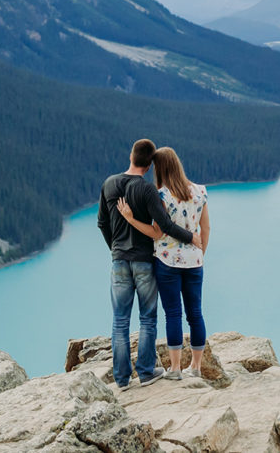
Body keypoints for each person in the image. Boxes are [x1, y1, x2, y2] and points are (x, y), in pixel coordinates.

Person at [98, 138, 197, 388]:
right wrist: (191, 238)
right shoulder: (147, 190)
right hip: (143, 261)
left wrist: (116, 250)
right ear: (149, 166)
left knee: (120, 320)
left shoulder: (109, 184)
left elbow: (102, 223)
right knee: (147, 318)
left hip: (119, 261)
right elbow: (164, 226)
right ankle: (145, 372)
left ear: (131, 156)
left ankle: (121, 379)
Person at [117, 146, 209, 378]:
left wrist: (130, 220)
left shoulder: (162, 195)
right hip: (194, 262)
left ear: (160, 169)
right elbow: (205, 227)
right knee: (195, 313)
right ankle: (196, 368)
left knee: (173, 314)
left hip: (168, 263)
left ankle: (176, 369)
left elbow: (157, 232)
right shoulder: (200, 192)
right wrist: (200, 255)